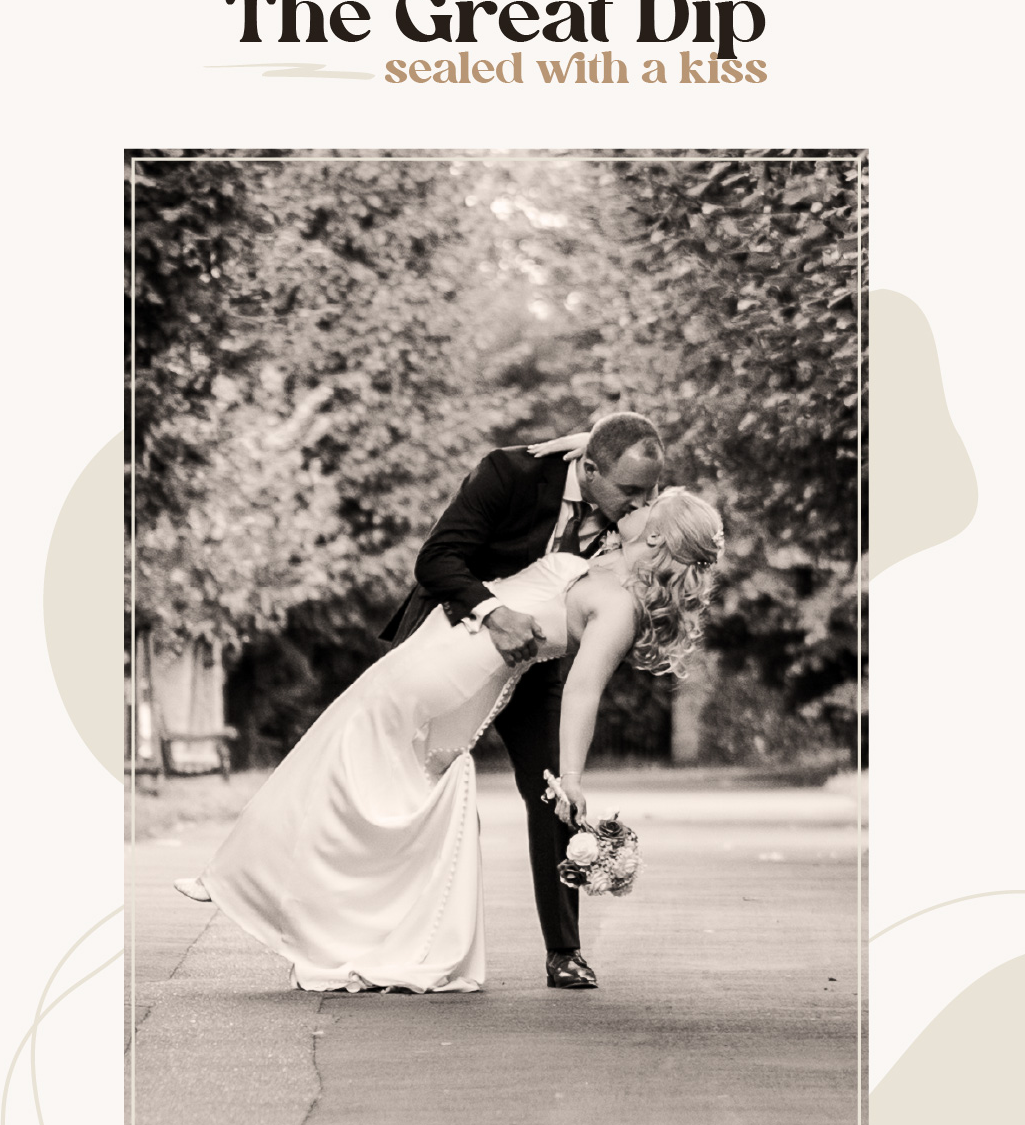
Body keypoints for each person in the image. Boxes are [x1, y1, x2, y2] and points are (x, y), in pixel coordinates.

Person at [175, 480, 723, 997]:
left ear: (655, 535)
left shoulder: (620, 606)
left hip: (454, 673)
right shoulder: (607, 560)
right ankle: (295, 901)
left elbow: (583, 691)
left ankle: (246, 881)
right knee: (361, 770)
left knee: (349, 760)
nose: (638, 501)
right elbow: (595, 458)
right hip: (444, 645)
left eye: (651, 503)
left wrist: (572, 778)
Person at [380, 413, 664, 988]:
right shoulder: (509, 473)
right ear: (587, 470)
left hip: (532, 668)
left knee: (555, 788)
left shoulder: (628, 513)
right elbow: (436, 562)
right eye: (631, 492)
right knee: (412, 796)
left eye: (650, 491)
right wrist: (496, 613)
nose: (641, 504)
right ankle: (393, 938)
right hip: (451, 650)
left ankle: (565, 951)